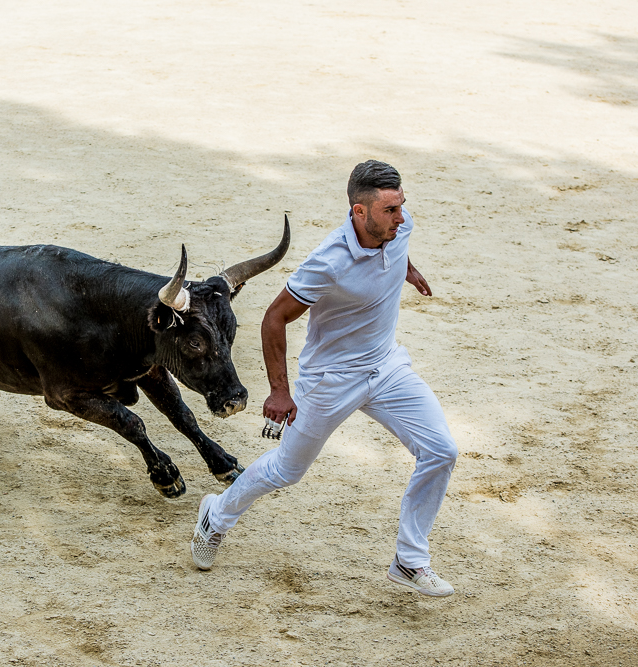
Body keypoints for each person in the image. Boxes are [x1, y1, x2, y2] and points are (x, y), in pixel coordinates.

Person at [190, 160, 458, 597]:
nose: (402, 217)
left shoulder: (399, 228)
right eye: (390, 210)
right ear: (359, 212)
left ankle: (410, 561)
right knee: (286, 470)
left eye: (402, 206)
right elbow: (274, 317)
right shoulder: (328, 262)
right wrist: (280, 390)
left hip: (387, 367)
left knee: (441, 451)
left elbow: (395, 247)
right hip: (331, 380)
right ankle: (215, 515)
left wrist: (403, 269)